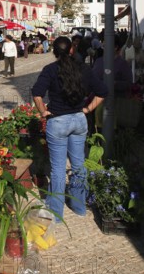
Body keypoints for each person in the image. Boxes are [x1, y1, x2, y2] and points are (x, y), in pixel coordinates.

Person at [31, 36, 108, 222]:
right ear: (72, 50)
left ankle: (57, 213)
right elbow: (103, 92)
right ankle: (79, 206)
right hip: (79, 120)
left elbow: (37, 93)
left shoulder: (50, 70)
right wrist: (88, 109)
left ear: (55, 52)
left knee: (57, 169)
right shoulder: (84, 69)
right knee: (78, 164)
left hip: (57, 121)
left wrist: (43, 112)